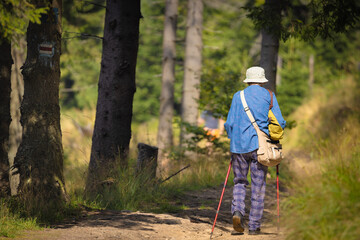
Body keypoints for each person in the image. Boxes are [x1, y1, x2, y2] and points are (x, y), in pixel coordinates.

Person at [224, 66, 286, 235]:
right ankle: (254, 226)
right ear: (262, 80)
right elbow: (280, 122)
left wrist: (233, 138)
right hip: (260, 147)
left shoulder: (238, 96)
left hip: (238, 147)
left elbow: (229, 124)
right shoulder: (269, 96)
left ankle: (237, 212)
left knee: (239, 182)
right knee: (258, 185)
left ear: (248, 80)